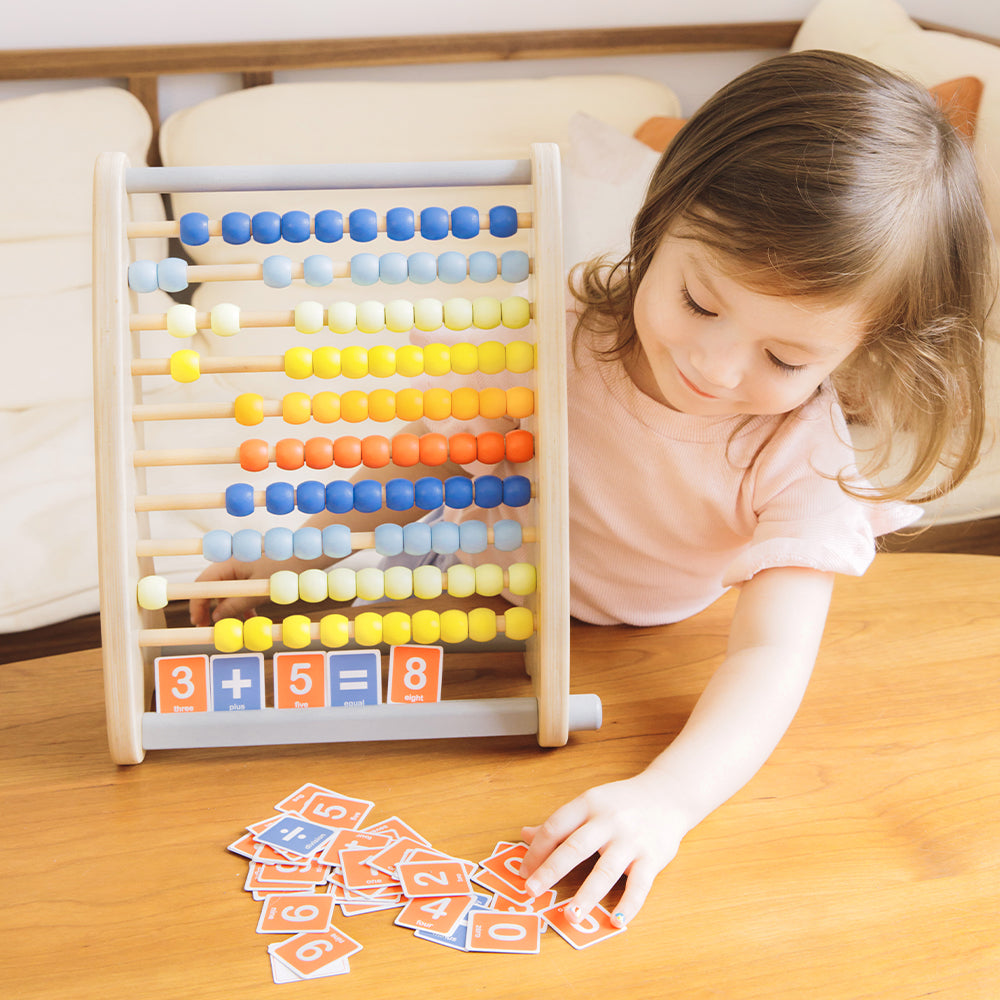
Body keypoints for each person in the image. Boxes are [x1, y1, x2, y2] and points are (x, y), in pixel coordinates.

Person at [191, 51, 994, 929]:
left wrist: (667, 802)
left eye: (785, 358)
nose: (715, 367)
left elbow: (771, 657)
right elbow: (433, 461)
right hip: (470, 575)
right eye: (698, 301)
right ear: (660, 220)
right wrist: (301, 551)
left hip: (636, 645)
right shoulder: (560, 340)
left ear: (858, 352)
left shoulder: (803, 460)